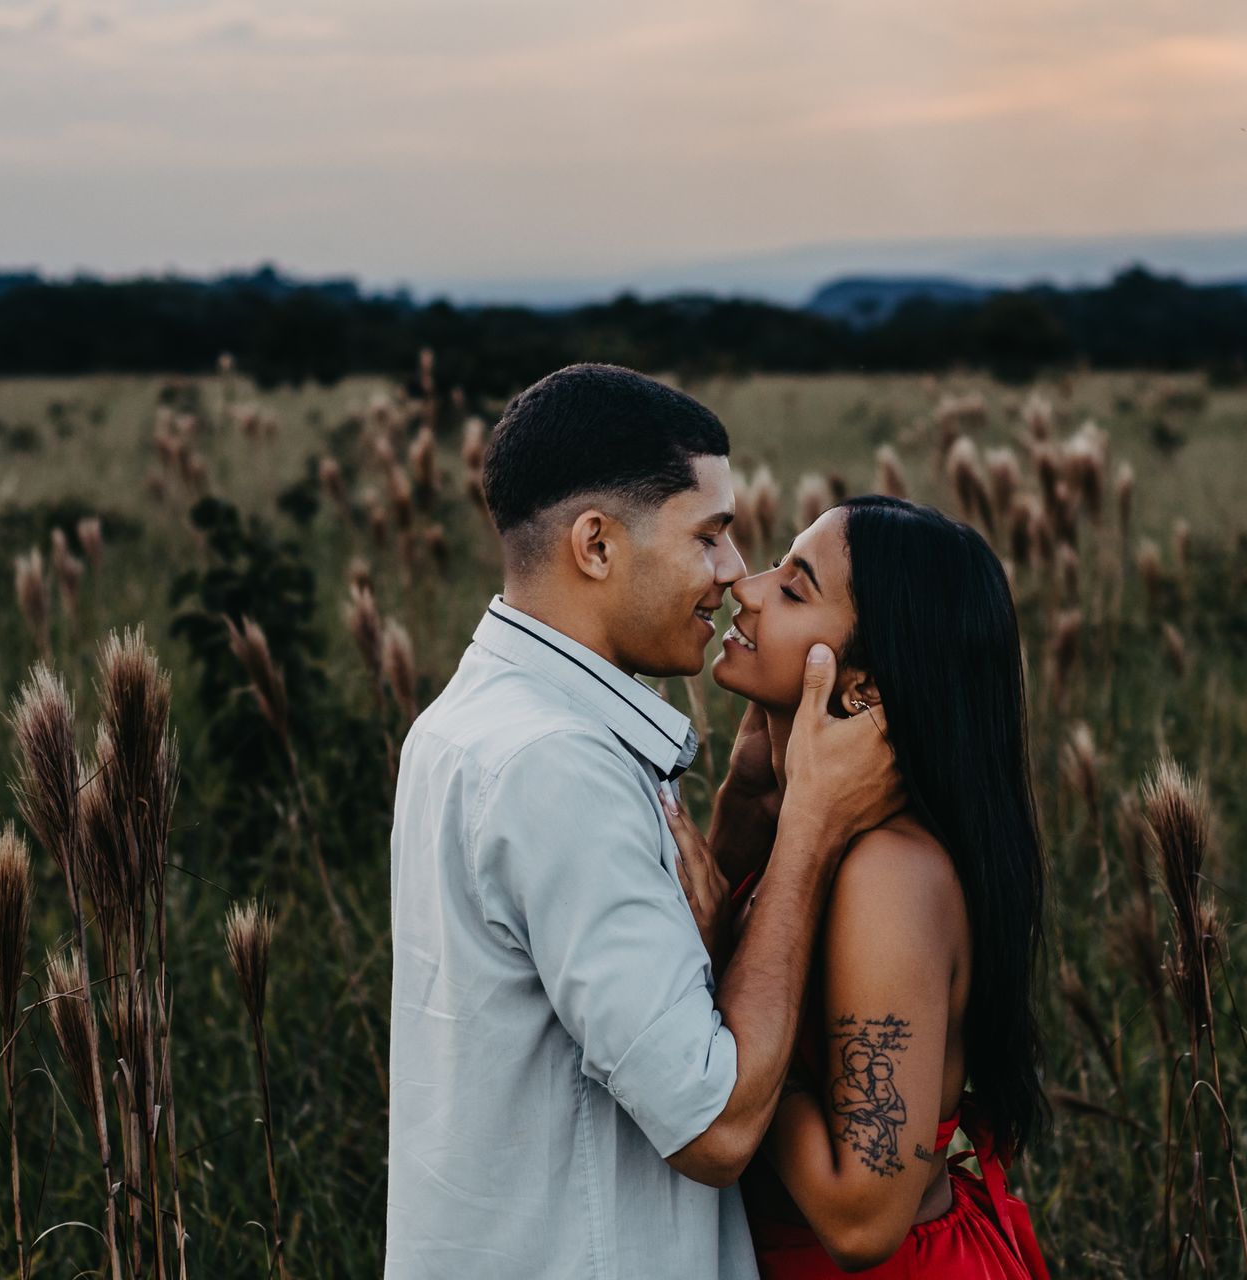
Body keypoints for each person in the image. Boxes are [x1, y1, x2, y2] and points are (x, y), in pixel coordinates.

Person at [384, 364, 902, 1278]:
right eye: (710, 537)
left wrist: (744, 817)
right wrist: (813, 832)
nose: (735, 575)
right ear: (596, 545)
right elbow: (716, 1123)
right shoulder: (556, 766)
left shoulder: (471, 722)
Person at [666, 495, 1052, 1278]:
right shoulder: (802, 826)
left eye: (795, 587)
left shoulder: (888, 874)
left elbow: (862, 1214)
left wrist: (721, 996)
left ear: (866, 687)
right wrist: (746, 803)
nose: (747, 588)